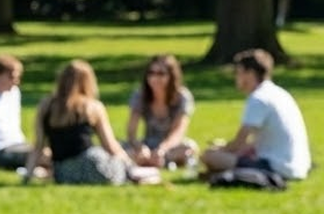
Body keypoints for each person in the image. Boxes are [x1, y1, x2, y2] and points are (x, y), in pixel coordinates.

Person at [25, 59, 156, 185]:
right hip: (94, 165)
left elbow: (38, 145)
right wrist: (129, 164)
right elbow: (110, 146)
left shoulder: (47, 106)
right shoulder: (92, 107)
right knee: (125, 164)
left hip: (63, 172)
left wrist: (27, 176)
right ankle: (141, 176)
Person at [200, 48, 311, 181]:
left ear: (250, 74)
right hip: (298, 166)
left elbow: (239, 142)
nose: (236, 77)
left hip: (277, 167)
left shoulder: (258, 98)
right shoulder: (280, 93)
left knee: (209, 156)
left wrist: (222, 148)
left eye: (239, 73)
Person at [125, 53, 198, 168]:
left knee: (190, 148)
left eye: (161, 73)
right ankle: (155, 160)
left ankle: (157, 159)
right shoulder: (140, 95)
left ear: (171, 76)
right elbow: (131, 132)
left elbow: (178, 132)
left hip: (172, 145)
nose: (155, 78)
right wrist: (140, 148)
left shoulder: (183, 97)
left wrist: (162, 149)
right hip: (147, 143)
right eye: (151, 73)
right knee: (122, 148)